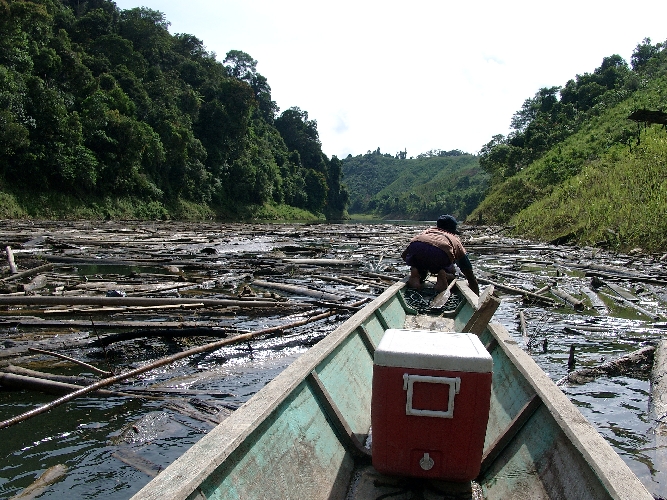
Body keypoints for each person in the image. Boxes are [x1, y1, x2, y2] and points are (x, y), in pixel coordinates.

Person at [401, 215, 480, 295]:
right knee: (451, 269)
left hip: (417, 245)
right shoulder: (453, 239)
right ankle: (444, 275)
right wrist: (476, 293)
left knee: (418, 266)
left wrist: (419, 265)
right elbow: (468, 270)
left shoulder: (427, 232)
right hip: (441, 251)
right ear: (452, 230)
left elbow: (404, 256)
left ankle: (415, 273)